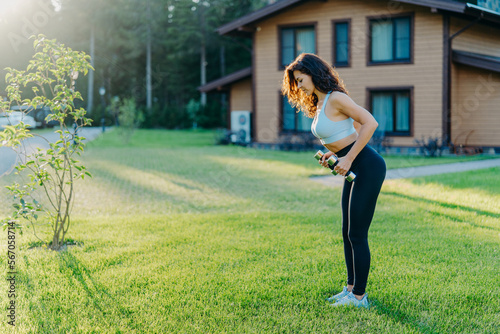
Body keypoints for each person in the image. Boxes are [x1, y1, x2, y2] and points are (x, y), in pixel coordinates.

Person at [282, 53, 386, 308]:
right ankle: (350, 289)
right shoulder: (320, 102)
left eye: (301, 79)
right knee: (346, 232)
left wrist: (348, 158)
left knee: (357, 233)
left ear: (313, 73)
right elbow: (343, 133)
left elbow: (369, 123)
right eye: (296, 81)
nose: (299, 85)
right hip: (352, 164)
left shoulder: (337, 98)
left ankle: (360, 297)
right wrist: (334, 153)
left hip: (368, 166)